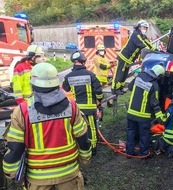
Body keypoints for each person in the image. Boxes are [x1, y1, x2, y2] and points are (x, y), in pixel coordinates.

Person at [3, 62, 92, 190]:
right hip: (69, 175)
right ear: (57, 83)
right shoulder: (71, 106)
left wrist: (10, 172)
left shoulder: (22, 111)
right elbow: (83, 138)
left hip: (38, 180)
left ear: (32, 83)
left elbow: (15, 148)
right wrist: (85, 158)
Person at [63, 51, 103, 155]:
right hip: (89, 108)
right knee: (92, 128)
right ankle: (93, 148)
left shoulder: (68, 76)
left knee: (77, 128)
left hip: (76, 109)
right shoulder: (91, 75)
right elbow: (98, 91)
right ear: (84, 62)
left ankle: (79, 148)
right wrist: (99, 101)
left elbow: (65, 89)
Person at [126, 65, 165, 158]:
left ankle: (129, 152)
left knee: (131, 132)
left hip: (131, 112)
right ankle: (144, 154)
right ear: (159, 76)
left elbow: (130, 87)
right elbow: (154, 103)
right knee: (144, 135)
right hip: (143, 116)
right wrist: (160, 117)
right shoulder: (154, 85)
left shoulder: (139, 76)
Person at [112, 20, 157, 95]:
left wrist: (156, 50)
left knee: (124, 75)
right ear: (138, 27)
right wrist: (149, 51)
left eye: (146, 28)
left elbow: (149, 44)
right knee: (119, 74)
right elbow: (142, 45)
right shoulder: (135, 34)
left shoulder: (143, 36)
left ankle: (120, 88)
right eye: (143, 27)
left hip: (129, 59)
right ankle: (114, 89)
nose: (144, 29)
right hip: (124, 57)